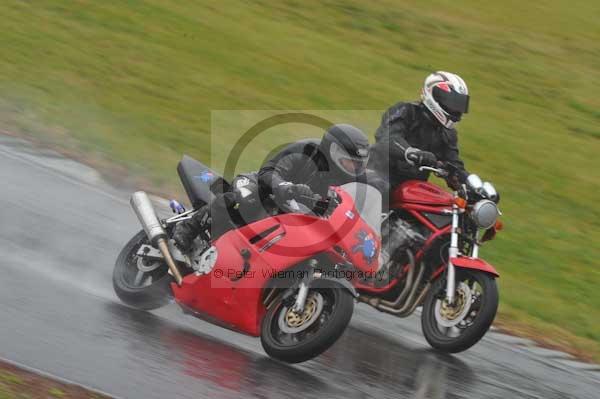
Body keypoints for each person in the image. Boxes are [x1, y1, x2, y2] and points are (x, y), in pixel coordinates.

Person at [172, 123, 371, 252]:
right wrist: (286, 187)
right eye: (350, 162)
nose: (354, 168)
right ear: (333, 150)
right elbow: (268, 171)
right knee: (244, 196)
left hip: (297, 214)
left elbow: (356, 206)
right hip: (264, 189)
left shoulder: (356, 178)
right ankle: (189, 227)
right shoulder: (305, 151)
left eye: (358, 163)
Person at [369, 71, 471, 194]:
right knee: (381, 188)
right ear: (434, 95)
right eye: (452, 102)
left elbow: (454, 165)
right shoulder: (405, 110)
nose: (456, 109)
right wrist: (412, 153)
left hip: (411, 188)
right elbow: (388, 138)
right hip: (378, 174)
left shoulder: (448, 134)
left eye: (458, 104)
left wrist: (472, 184)